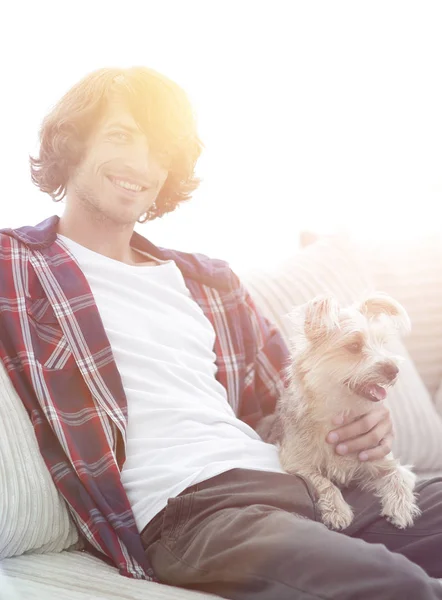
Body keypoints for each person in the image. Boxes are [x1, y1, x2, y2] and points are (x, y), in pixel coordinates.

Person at [0, 66, 441, 600]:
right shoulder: (17, 265)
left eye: (159, 149)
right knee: (395, 587)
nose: (142, 164)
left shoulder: (210, 282)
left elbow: (288, 403)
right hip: (194, 513)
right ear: (72, 143)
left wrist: (358, 419)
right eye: (121, 136)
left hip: (294, 483)